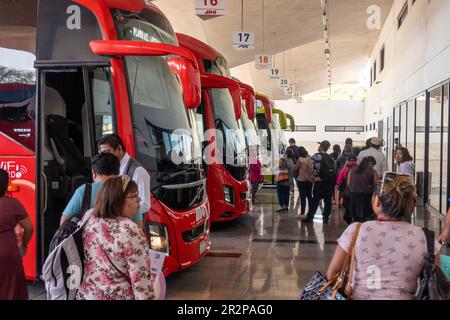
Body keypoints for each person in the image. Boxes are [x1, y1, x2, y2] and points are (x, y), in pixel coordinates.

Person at [326, 175, 441, 300]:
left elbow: (332, 275)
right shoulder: (426, 238)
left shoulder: (357, 230)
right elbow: (436, 284)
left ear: (377, 201)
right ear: (410, 204)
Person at [77, 176, 155, 300]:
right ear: (119, 200)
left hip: (88, 294)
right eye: (134, 196)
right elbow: (141, 281)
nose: (139, 200)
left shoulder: (89, 217)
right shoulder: (130, 230)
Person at [99, 134, 150, 230]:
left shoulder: (138, 171)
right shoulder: (110, 168)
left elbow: (145, 204)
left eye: (107, 152)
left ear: (119, 149)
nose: (105, 157)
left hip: (132, 229)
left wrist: (119, 211)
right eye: (102, 153)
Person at [0, 169, 34, 300]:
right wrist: (24, 245)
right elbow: (29, 228)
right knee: (11, 291)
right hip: (8, 254)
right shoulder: (12, 204)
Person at [60, 152, 120, 226]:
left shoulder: (84, 190)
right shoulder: (128, 190)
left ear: (94, 173)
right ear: (118, 172)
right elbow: (138, 224)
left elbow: (64, 222)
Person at [301, 140, 336, 224]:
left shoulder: (316, 156)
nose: (318, 147)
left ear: (321, 147)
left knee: (315, 200)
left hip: (319, 181)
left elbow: (309, 165)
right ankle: (325, 218)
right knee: (327, 201)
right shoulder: (330, 157)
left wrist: (311, 176)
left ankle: (310, 218)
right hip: (328, 182)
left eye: (319, 145)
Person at [347, 156, 379, 223]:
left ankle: (355, 230)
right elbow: (377, 184)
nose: (371, 166)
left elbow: (348, 183)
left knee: (355, 218)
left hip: (354, 195)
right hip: (367, 196)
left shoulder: (352, 170)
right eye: (371, 164)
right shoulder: (373, 171)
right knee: (366, 218)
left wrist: (353, 190)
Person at [335, 153, 358, 222]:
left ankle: (349, 217)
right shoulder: (359, 169)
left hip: (347, 191)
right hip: (357, 191)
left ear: (347, 161)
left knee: (347, 204)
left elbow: (339, 182)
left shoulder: (344, 169)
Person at [293, 147, 313, 216]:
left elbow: (295, 168)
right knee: (309, 196)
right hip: (309, 180)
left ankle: (302, 212)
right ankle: (311, 211)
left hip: (301, 180)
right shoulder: (310, 158)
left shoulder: (300, 160)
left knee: (302, 196)